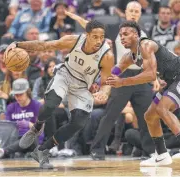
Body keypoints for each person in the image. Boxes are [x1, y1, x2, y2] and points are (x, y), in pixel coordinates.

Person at [5, 20, 114, 169]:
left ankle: (42, 151)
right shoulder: (73, 41)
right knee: (51, 105)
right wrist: (19, 44)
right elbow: (45, 45)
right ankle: (37, 127)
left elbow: (106, 81)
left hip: (82, 86)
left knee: (78, 123)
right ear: (86, 35)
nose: (99, 40)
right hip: (65, 75)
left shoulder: (107, 55)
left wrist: (104, 92)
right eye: (95, 36)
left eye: (102, 37)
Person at [65, 1, 156, 160]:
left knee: (146, 116)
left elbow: (151, 57)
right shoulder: (116, 29)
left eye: (137, 11)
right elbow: (92, 27)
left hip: (141, 78)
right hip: (121, 77)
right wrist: (77, 18)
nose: (134, 13)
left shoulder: (145, 32)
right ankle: (97, 150)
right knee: (110, 115)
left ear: (140, 14)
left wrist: (157, 76)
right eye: (131, 11)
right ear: (125, 13)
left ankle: (147, 151)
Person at [105, 21, 180, 166]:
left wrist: (123, 82)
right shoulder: (128, 57)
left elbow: (150, 75)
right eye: (120, 35)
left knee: (162, 108)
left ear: (136, 35)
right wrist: (96, 81)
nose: (122, 38)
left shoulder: (146, 45)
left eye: (125, 34)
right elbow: (112, 73)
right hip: (171, 82)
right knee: (149, 116)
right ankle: (162, 154)